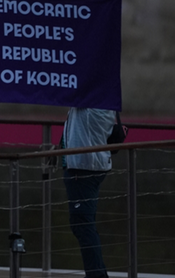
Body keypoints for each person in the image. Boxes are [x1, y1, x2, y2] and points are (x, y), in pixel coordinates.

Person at [61, 107, 116, 278]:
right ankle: (96, 273)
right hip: (88, 165)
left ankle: (97, 275)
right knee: (84, 223)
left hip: (83, 167)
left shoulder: (90, 102)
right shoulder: (101, 100)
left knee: (82, 224)